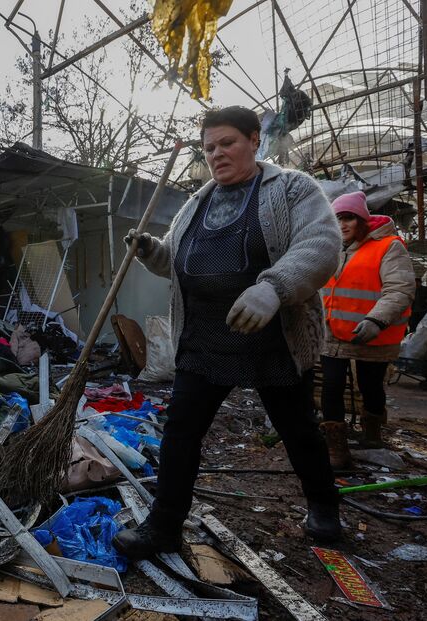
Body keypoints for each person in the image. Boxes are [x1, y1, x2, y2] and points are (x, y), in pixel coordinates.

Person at [113, 106, 343, 558]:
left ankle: (323, 505)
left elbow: (321, 245)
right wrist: (150, 252)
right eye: (209, 147)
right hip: (205, 338)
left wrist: (274, 288)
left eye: (227, 143)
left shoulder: (293, 188)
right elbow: (180, 264)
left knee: (297, 429)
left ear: (255, 139)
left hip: (272, 335)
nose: (217, 154)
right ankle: (164, 526)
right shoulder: (196, 203)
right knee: (180, 433)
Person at [319, 192, 414, 466]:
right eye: (336, 219)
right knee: (332, 384)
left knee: (371, 386)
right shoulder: (332, 249)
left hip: (373, 333)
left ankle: (371, 433)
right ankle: (336, 448)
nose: (342, 225)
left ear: (362, 220)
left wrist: (376, 320)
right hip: (333, 332)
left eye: (348, 218)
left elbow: (400, 289)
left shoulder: (389, 246)